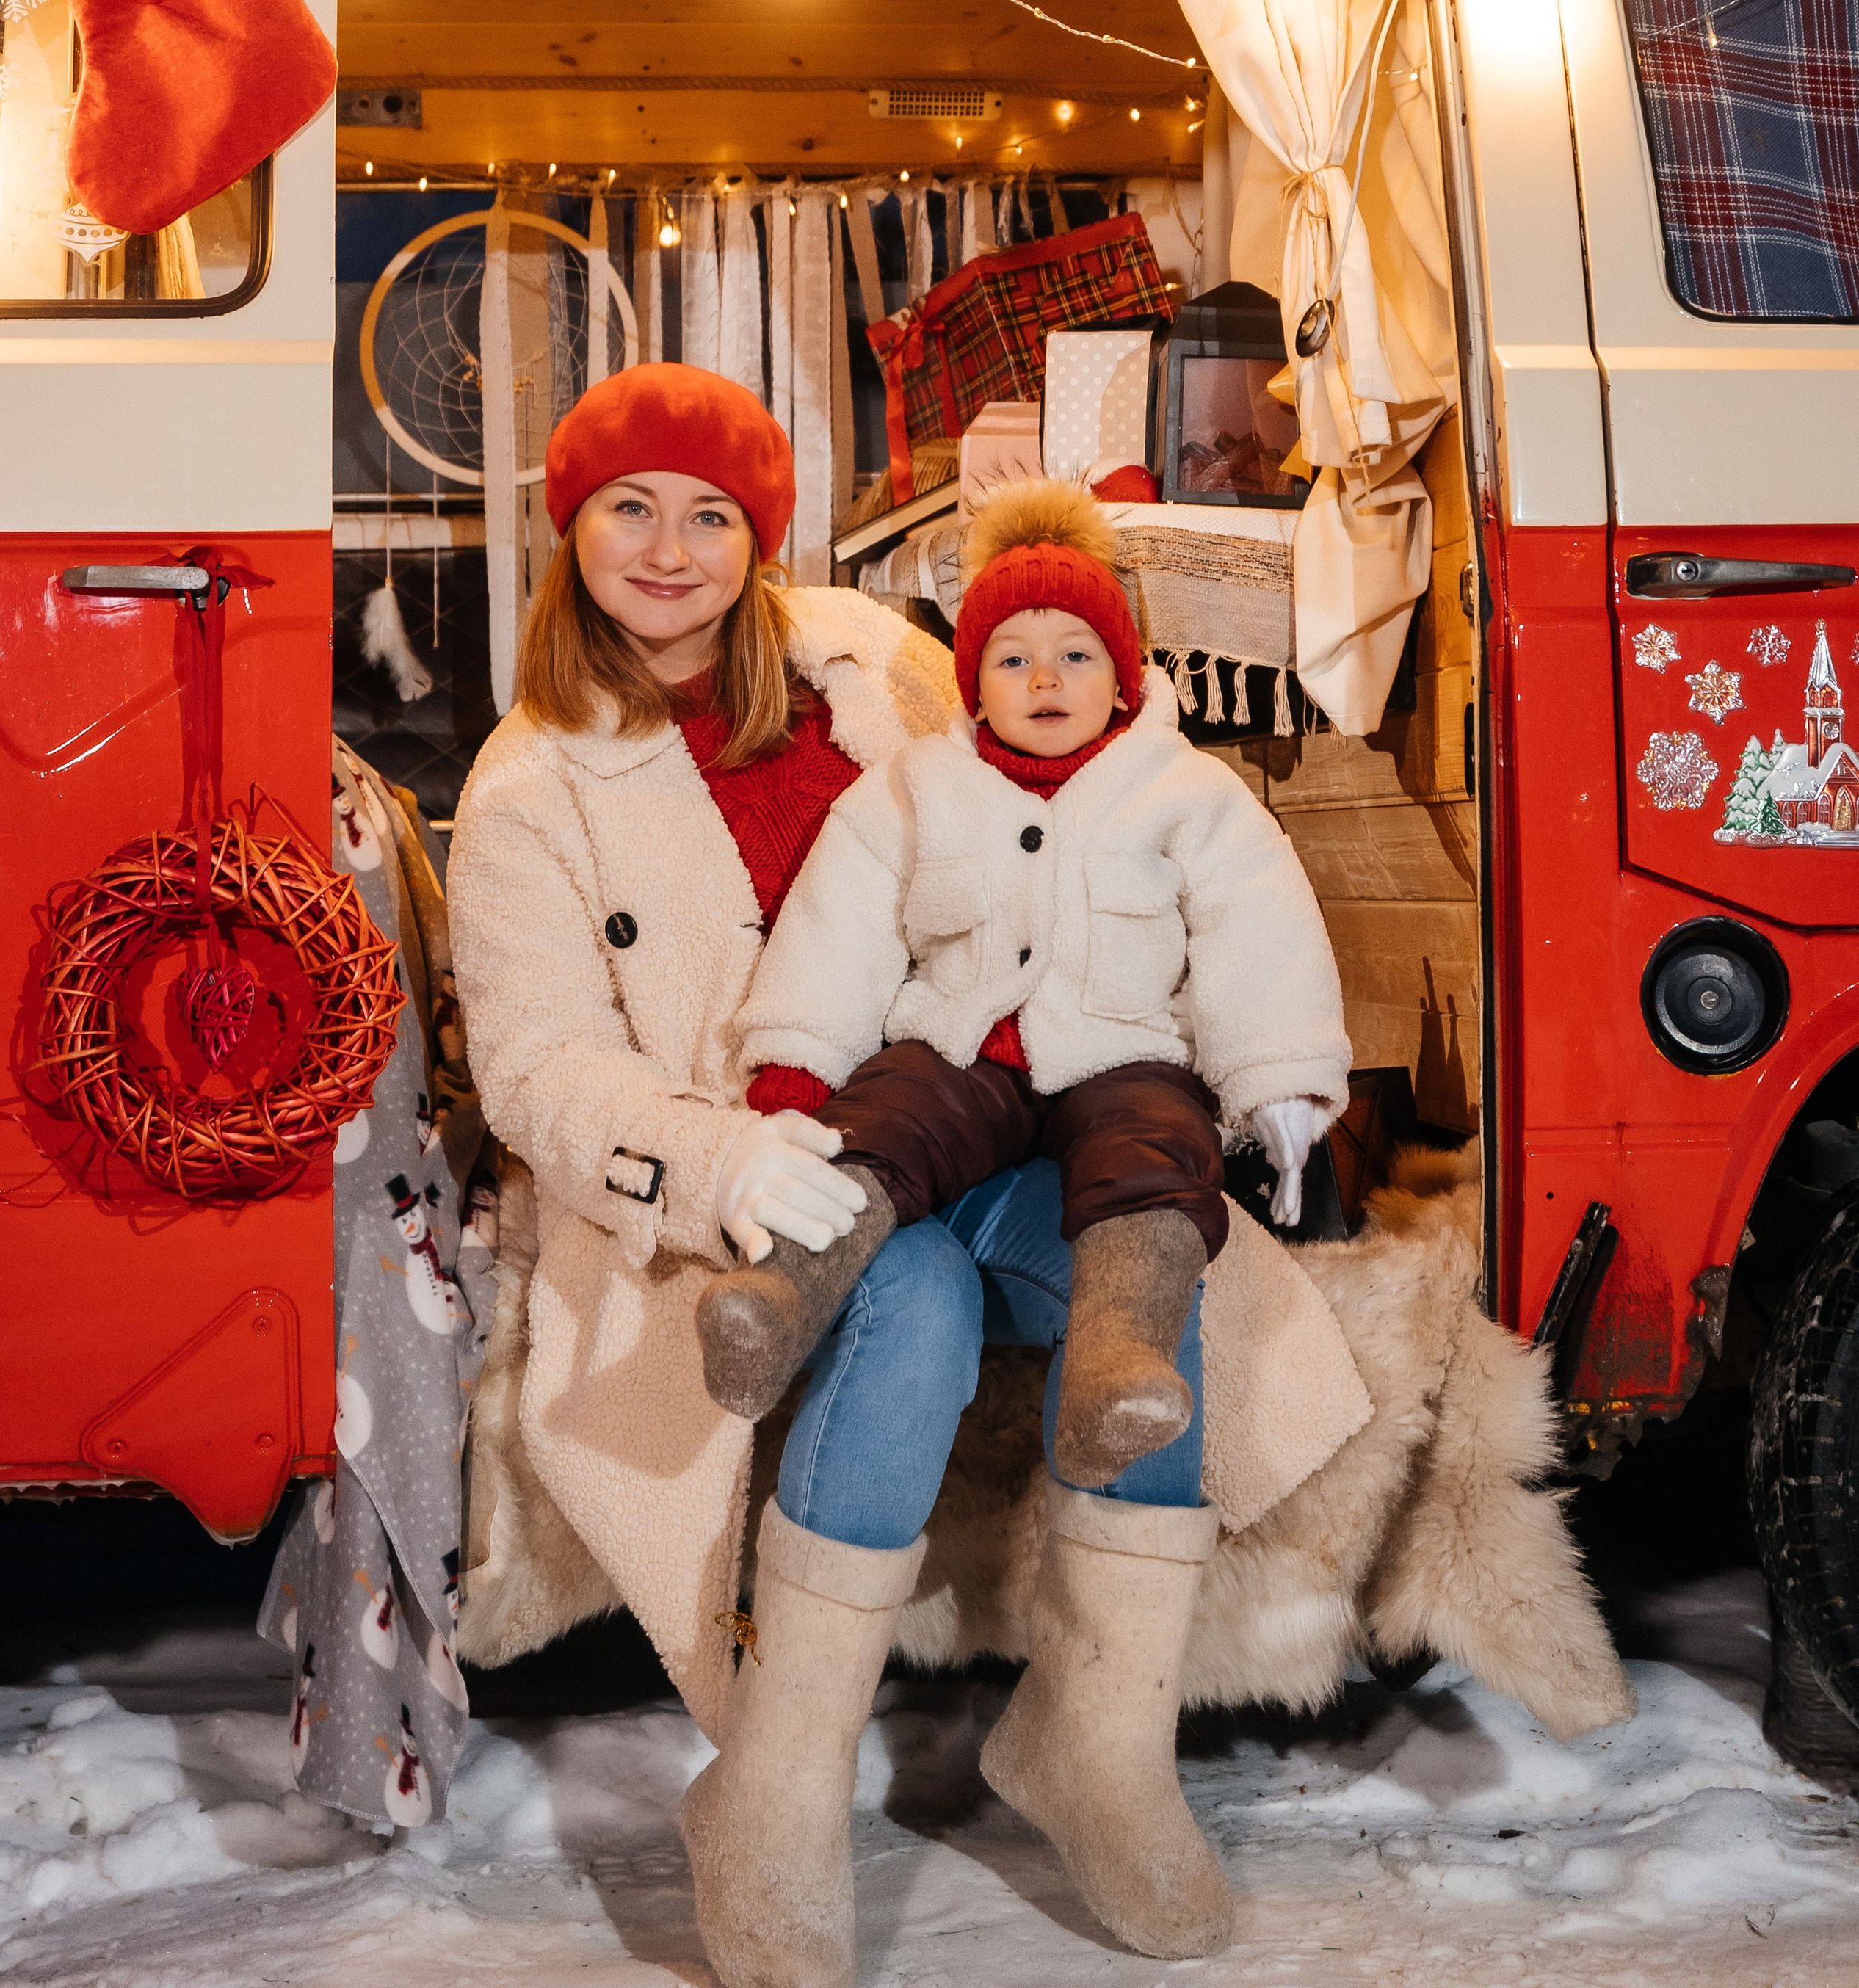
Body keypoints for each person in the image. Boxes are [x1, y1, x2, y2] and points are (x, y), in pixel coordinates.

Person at [446, 365, 1360, 1988]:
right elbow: (535, 1069)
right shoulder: (527, 786)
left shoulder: (866, 663)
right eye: (628, 508)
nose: (669, 550)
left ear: (761, 537)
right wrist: (725, 1156)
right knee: (919, 1295)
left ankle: (1096, 1746)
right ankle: (779, 1795)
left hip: (989, 1113)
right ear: (566, 525)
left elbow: (1054, 786)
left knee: (1143, 1275)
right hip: (746, 1179)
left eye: (711, 514)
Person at [696, 481, 1347, 1499]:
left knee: (1160, 1159)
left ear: (1123, 676)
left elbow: (1256, 929)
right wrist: (794, 1067)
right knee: (879, 1121)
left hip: (1123, 1047)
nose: (1045, 678)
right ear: (973, 684)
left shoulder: (1187, 791)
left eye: (1076, 655)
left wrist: (1281, 1079)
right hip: (958, 1043)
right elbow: (843, 922)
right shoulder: (917, 783)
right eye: (1013, 659)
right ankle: (778, 1300)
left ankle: (1118, 1367)